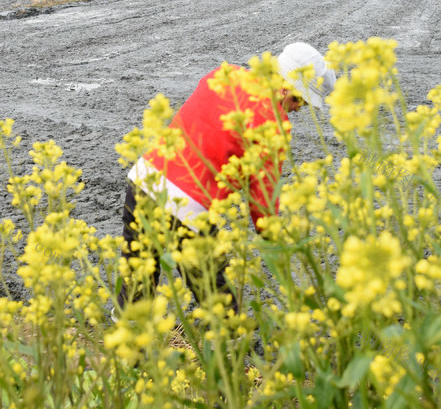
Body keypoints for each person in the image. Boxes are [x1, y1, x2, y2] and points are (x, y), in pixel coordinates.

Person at [116, 42, 336, 313]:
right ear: (284, 88)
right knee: (221, 307)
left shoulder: (223, 74)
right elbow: (263, 199)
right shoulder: (274, 124)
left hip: (142, 181)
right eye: (298, 99)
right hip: (186, 210)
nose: (298, 109)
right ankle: (229, 347)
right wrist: (275, 245)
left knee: (136, 285)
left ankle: (125, 348)